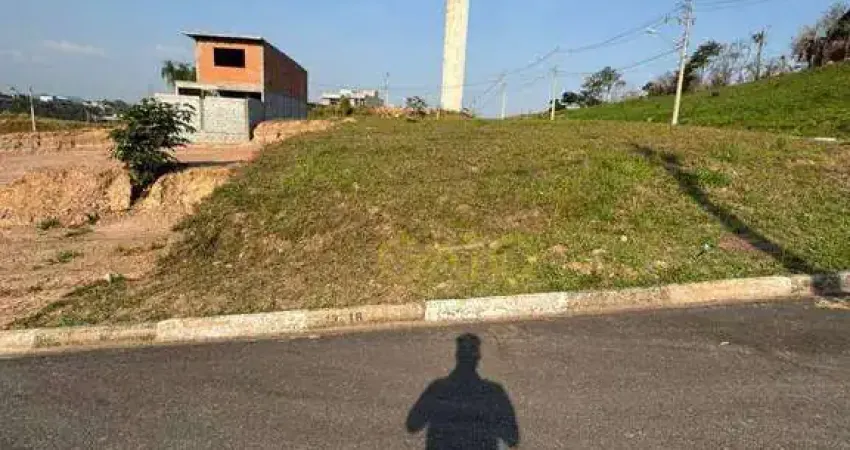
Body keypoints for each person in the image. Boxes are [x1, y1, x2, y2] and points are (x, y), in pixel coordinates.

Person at [406, 333, 519, 450]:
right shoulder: (493, 392)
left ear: (457, 356)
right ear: (478, 358)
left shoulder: (437, 389)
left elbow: (412, 425)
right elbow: (512, 438)